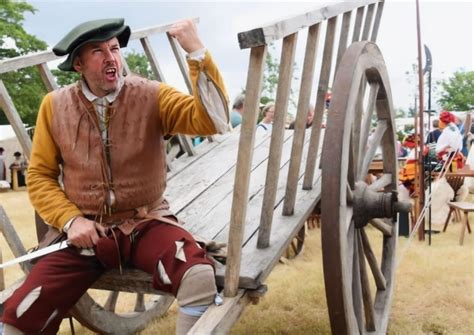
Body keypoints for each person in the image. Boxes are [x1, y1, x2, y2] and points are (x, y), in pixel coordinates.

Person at [1, 18, 229, 335]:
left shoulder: (154, 96)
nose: (111, 58)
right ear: (78, 64)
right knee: (20, 310)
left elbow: (213, 121)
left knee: (199, 277)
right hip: (86, 231)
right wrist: (70, 221)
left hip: (146, 222)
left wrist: (196, 52)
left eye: (114, 49)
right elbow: (40, 176)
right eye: (98, 51)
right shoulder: (53, 106)